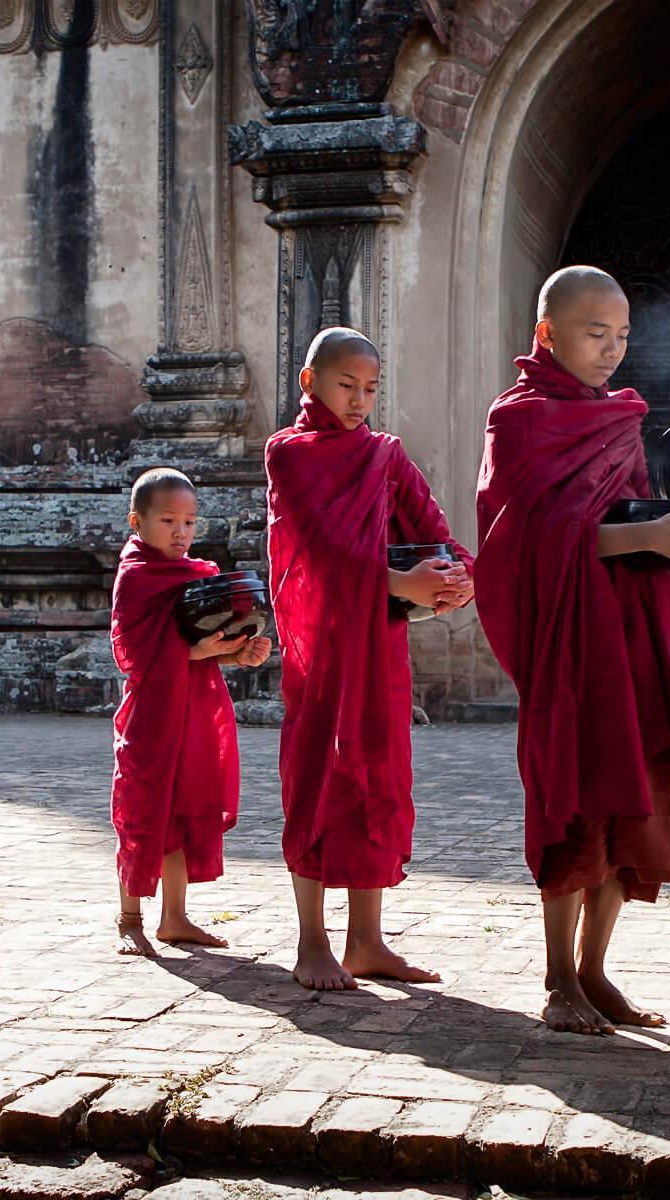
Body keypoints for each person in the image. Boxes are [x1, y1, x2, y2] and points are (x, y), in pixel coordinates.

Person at [475, 266, 670, 1036]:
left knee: (636, 794)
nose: (613, 351)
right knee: (575, 794)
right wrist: (651, 535)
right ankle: (557, 979)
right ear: (547, 334)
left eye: (622, 336)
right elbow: (524, 545)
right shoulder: (519, 420)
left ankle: (595, 972)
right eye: (596, 334)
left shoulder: (618, 418)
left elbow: (627, 516)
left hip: (631, 633)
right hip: (569, 643)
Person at [265, 326, 474, 990]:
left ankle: (367, 941)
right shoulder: (289, 455)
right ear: (310, 383)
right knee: (316, 783)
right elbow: (320, 553)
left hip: (378, 647)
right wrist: (399, 584)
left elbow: (431, 526)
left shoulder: (384, 455)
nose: (358, 402)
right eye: (346, 386)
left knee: (376, 780)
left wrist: (457, 573)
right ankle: (311, 942)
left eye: (370, 390)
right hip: (321, 646)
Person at [110, 467, 271, 958]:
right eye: (167, 522)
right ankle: (130, 919)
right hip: (152, 716)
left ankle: (175, 918)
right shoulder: (136, 577)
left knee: (181, 811)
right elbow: (132, 652)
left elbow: (202, 640)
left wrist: (237, 653)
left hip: (195, 709)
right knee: (143, 813)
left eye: (189, 522)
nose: (180, 533)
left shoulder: (196, 574)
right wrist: (201, 653)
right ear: (137, 522)